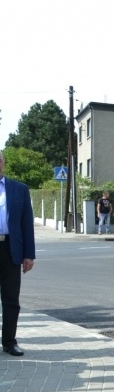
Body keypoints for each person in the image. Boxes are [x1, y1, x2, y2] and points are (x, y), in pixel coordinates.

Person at [0, 151, 35, 357]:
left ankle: (9, 342)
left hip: (10, 249)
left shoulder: (19, 189)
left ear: (4, 163)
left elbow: (26, 224)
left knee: (11, 299)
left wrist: (28, 254)